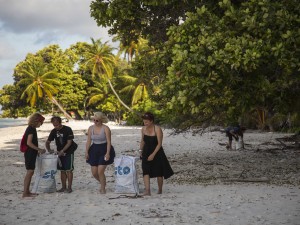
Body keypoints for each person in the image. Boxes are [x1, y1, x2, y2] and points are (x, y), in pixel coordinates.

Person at [139, 112, 174, 196]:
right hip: (146, 151)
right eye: (144, 121)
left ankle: (160, 189)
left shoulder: (157, 129)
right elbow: (142, 140)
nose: (145, 123)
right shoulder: (143, 129)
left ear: (151, 121)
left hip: (157, 151)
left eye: (147, 121)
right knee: (145, 170)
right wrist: (140, 151)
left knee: (159, 172)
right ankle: (147, 191)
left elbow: (159, 144)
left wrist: (153, 154)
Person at [85, 112, 115, 194]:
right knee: (94, 173)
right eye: (94, 120)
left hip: (104, 149)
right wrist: (86, 152)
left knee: (100, 171)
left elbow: (109, 142)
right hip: (94, 149)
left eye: (97, 120)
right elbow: (88, 141)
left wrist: (108, 153)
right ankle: (103, 182)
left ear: (101, 120)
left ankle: (102, 188)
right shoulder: (90, 128)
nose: (95, 121)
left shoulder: (106, 128)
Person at [45, 116, 75, 193]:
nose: (56, 127)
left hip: (69, 151)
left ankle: (69, 187)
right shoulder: (53, 131)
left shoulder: (67, 129)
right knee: (62, 170)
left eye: (57, 125)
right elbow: (48, 142)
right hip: (59, 153)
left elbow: (69, 142)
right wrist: (49, 149)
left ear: (60, 123)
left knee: (69, 170)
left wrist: (63, 150)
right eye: (54, 125)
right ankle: (63, 187)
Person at [22, 112, 46, 198]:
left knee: (30, 172)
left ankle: (27, 192)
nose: (41, 124)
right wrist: (39, 149)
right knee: (30, 172)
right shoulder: (31, 129)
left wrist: (37, 151)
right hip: (29, 153)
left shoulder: (31, 128)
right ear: (36, 121)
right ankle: (25, 193)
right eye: (41, 122)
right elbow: (29, 143)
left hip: (31, 153)